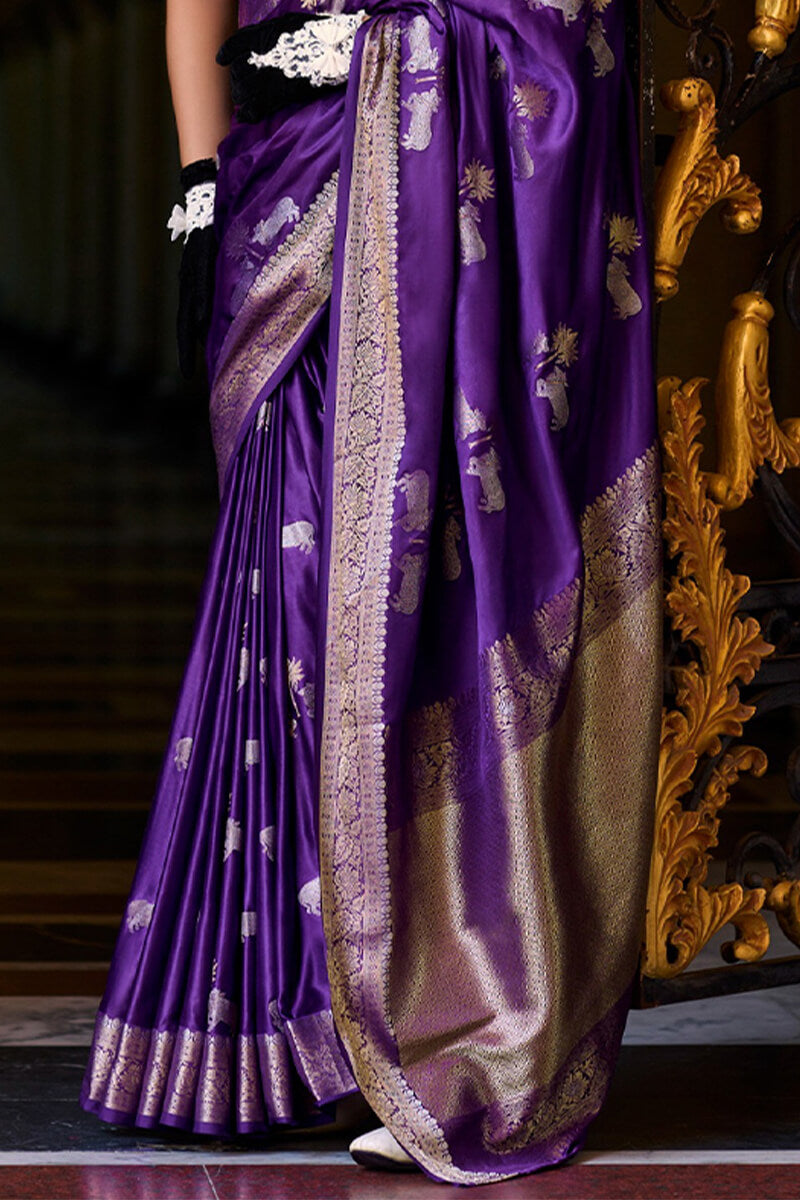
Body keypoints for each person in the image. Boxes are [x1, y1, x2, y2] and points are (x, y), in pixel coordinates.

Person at [80, 0, 661, 1185]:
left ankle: (437, 1030)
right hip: (281, 196)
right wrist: (198, 181)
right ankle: (280, 1031)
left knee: (391, 601)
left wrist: (398, 60)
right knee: (285, 596)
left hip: (432, 191)